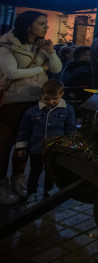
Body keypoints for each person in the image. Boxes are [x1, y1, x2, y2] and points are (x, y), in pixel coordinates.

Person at [0, 11, 62, 204]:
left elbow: (57, 69)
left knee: (24, 144)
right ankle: (1, 183)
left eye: (46, 23)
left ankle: (18, 180)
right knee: (5, 143)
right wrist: (41, 69)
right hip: (13, 101)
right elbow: (11, 72)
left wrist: (51, 52)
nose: (46, 27)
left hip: (36, 101)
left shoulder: (41, 46)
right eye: (42, 23)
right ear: (28, 26)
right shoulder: (6, 45)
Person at [14, 80, 75, 206]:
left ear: (62, 94)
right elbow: (24, 131)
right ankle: (32, 194)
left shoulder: (68, 110)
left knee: (51, 172)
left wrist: (68, 147)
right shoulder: (32, 112)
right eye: (47, 98)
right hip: (36, 149)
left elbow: (70, 130)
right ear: (42, 95)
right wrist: (22, 147)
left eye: (55, 99)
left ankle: (49, 192)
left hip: (54, 150)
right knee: (34, 172)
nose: (51, 102)